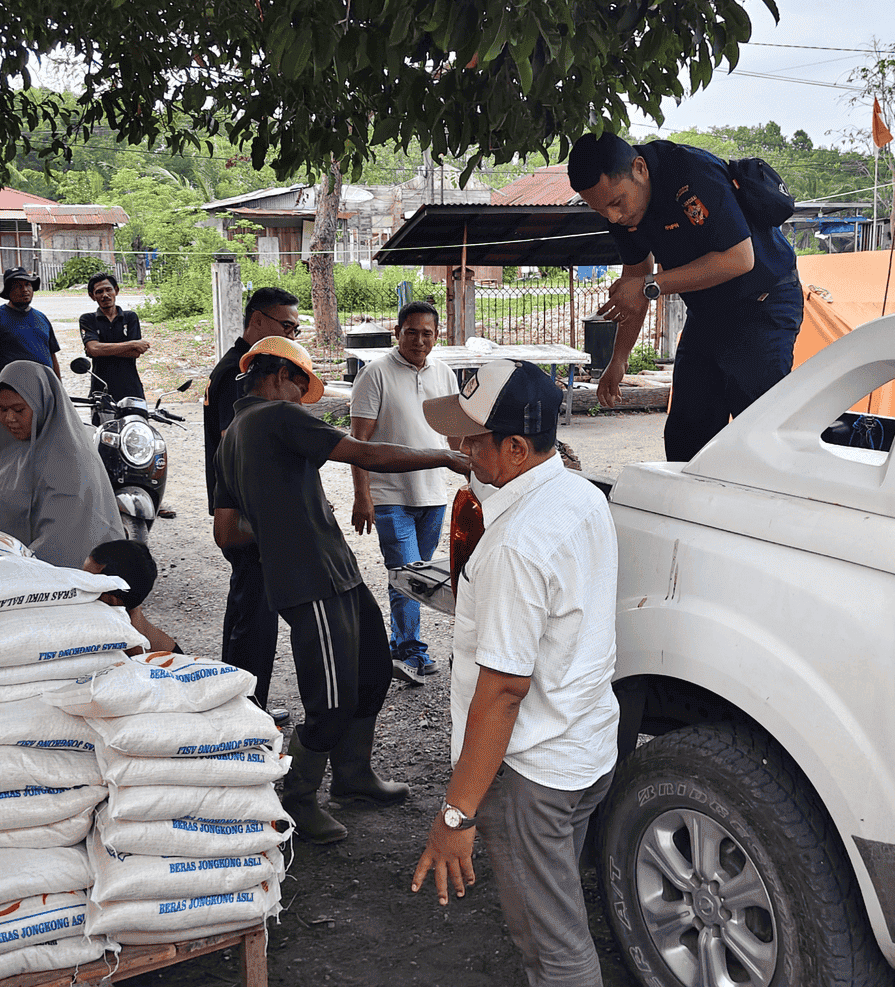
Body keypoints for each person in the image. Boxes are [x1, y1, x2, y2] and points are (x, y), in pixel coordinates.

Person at [211, 336, 471, 844]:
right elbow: (366, 453)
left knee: (372, 671)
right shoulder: (276, 416)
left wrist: (277, 521)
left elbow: (226, 532)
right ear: (279, 375)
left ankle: (353, 777)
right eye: (299, 384)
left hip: (338, 574)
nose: (299, 395)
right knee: (330, 699)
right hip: (311, 582)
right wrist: (443, 458)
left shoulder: (230, 436)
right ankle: (299, 798)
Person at [412, 360, 619, 987]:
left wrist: (456, 815)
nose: (461, 449)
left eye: (474, 439)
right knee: (557, 915)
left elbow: (502, 690)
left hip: (536, 771)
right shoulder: (579, 494)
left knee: (552, 947)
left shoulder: (516, 546)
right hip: (585, 743)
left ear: (516, 447)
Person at [569, 132, 804, 462]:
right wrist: (618, 359)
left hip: (762, 303)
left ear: (639, 168)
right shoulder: (621, 210)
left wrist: (652, 284)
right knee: (686, 431)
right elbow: (635, 282)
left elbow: (739, 258)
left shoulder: (690, 173)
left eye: (616, 203)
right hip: (708, 313)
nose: (613, 217)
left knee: (757, 429)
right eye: (600, 210)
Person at [348, 300, 461, 684]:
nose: (418, 339)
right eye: (411, 331)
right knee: (407, 573)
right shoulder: (375, 375)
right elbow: (358, 442)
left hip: (433, 496)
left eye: (426, 333)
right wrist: (362, 496)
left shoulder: (445, 374)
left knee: (418, 578)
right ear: (398, 332)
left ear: (436, 336)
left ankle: (400, 645)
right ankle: (411, 650)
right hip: (389, 495)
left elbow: (455, 436)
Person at [203, 285, 302, 707]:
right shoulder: (238, 373)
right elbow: (237, 440)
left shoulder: (246, 366)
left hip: (251, 511)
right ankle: (246, 709)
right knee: (255, 618)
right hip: (246, 514)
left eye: (296, 329)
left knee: (249, 609)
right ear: (257, 320)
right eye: (286, 326)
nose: (292, 336)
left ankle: (241, 699)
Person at [0, 360, 123, 568]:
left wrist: (10, 571)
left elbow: (61, 544)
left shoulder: (70, 463)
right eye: (2, 408)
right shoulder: (5, 449)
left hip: (50, 580)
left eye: (19, 410)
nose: (9, 418)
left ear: (43, 404)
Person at [0, 266, 60, 413]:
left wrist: (59, 390)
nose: (25, 290)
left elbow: (52, 356)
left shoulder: (41, 318)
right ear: (8, 291)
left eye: (28, 285)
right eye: (18, 286)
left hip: (44, 390)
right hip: (12, 391)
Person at [86, 538, 179, 655]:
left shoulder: (130, 641)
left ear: (112, 600)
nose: (80, 584)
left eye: (87, 582)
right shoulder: (130, 607)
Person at [79, 272, 149, 402]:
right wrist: (132, 344)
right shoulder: (87, 319)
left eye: (108, 290)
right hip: (101, 389)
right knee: (103, 422)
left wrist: (101, 350)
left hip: (131, 388)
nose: (105, 295)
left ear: (116, 291)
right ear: (92, 296)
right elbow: (93, 349)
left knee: (135, 422)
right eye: (99, 292)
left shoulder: (130, 317)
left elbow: (135, 353)